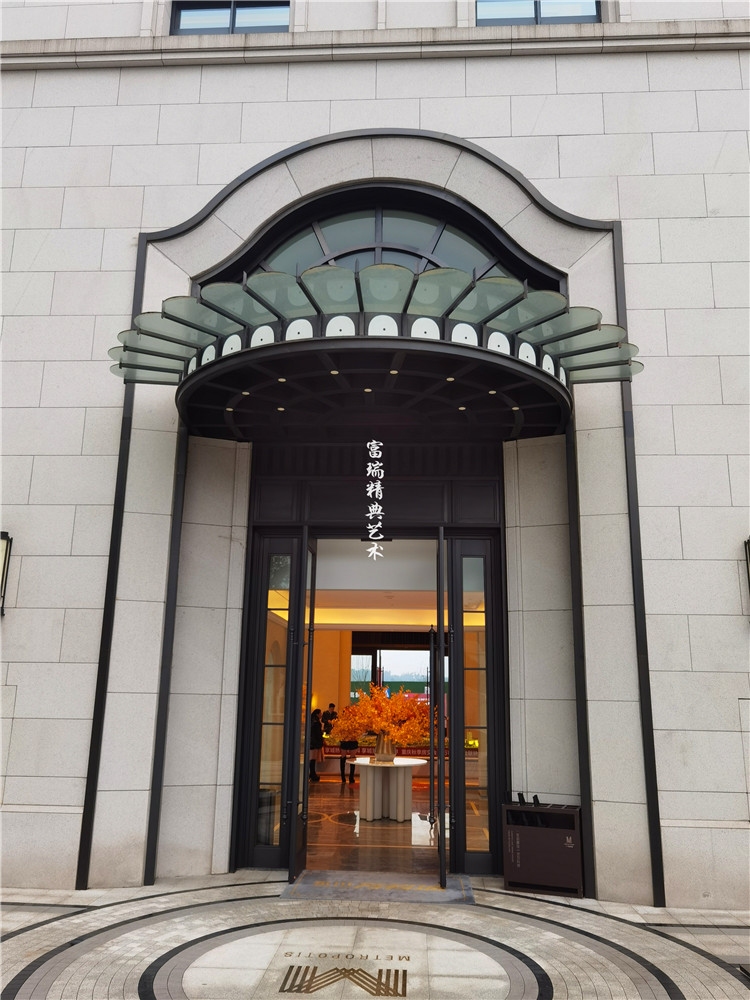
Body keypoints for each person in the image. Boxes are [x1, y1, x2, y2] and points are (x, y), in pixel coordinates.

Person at [309, 708, 324, 782]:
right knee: (312, 759)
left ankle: (312, 774)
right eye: (320, 713)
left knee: (312, 759)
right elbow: (318, 734)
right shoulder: (317, 723)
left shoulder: (311, 721)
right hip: (314, 743)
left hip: (311, 743)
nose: (321, 715)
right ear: (317, 714)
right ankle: (313, 775)